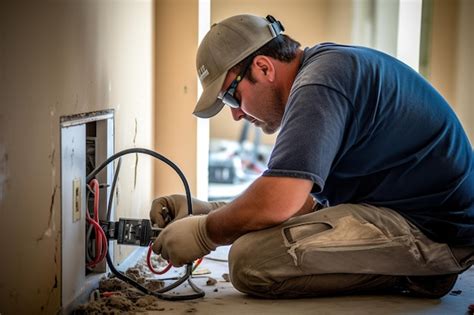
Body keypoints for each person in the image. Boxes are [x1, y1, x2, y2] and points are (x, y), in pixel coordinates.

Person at [150, 14, 474, 298]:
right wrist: (209, 210)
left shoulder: (319, 84)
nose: (236, 116)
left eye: (232, 98)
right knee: (259, 240)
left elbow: (280, 200)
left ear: (263, 67)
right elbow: (301, 201)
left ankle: (422, 273)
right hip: (419, 213)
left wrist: (205, 232)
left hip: (437, 232)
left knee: (252, 261)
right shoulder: (323, 70)